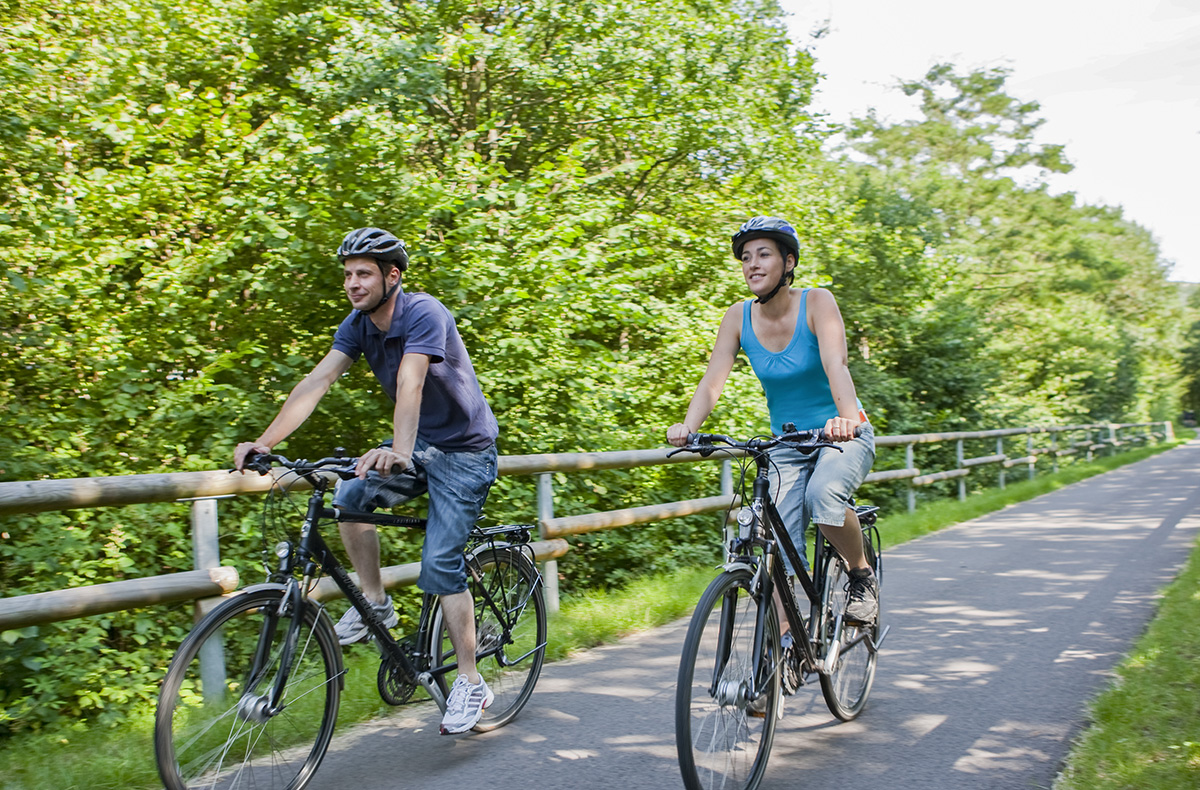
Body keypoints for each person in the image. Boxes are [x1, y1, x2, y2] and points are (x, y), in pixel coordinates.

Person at [234, 227, 500, 735]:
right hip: (420, 443)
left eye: (363, 274)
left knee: (440, 562)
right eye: (348, 275)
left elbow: (411, 381)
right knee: (350, 493)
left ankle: (470, 681)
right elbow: (318, 380)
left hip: (465, 452)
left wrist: (399, 451)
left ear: (391, 276)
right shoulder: (358, 325)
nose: (353, 284)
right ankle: (376, 602)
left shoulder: (424, 312)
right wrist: (264, 441)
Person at [666, 216, 878, 624]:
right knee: (773, 538)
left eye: (764, 254)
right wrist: (688, 427)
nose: (753, 264)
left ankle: (860, 575)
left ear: (789, 262)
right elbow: (713, 380)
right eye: (746, 257)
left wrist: (847, 419)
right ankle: (786, 637)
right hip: (788, 443)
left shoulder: (817, 303)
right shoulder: (738, 316)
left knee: (824, 496)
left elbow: (837, 364)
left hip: (842, 434)